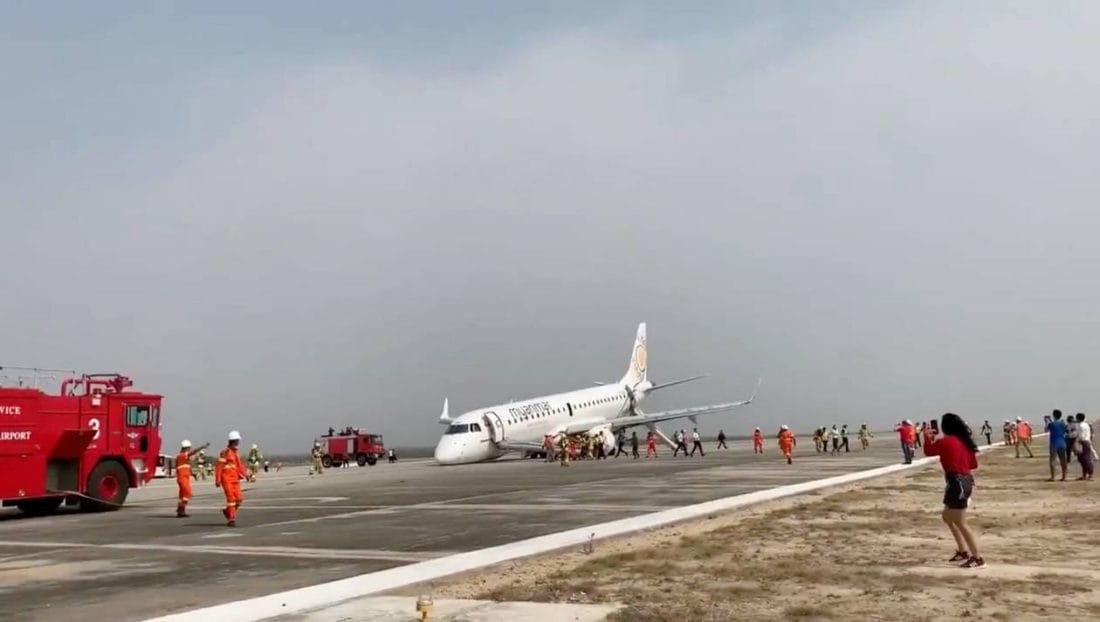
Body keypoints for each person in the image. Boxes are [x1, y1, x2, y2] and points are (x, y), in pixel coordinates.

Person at [923, 413, 983, 568]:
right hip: (961, 481)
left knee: (960, 521)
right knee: (947, 517)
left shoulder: (946, 442)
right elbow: (973, 464)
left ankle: (977, 558)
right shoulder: (964, 442)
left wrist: (926, 437)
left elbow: (928, 451)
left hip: (958, 483)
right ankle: (963, 551)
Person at [214, 430, 246, 527]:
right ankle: (231, 519)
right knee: (231, 499)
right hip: (226, 478)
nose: (238, 443)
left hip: (235, 478)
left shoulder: (235, 453)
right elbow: (219, 466)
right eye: (237, 441)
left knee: (239, 499)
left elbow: (239, 465)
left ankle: (228, 511)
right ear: (234, 441)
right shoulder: (225, 452)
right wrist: (218, 479)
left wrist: (246, 474)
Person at [175, 440, 203, 518]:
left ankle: (181, 512)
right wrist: (201, 447)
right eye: (189, 448)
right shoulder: (182, 455)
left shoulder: (184, 457)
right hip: (182, 477)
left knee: (182, 495)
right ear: (186, 448)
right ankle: (180, 508)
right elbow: (192, 452)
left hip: (185, 477)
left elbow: (187, 466)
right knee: (188, 493)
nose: (190, 449)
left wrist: (192, 474)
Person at [1046, 409, 1068, 482]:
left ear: (1054, 415)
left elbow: (1046, 430)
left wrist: (1047, 422)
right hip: (1062, 443)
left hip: (1054, 443)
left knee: (1053, 460)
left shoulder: (1051, 424)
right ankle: (1064, 476)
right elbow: (1066, 431)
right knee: (1063, 460)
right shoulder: (1063, 423)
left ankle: (1053, 477)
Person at [1074, 413, 1093, 481]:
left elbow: (1080, 435)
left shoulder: (1080, 425)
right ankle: (1086, 474)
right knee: (1084, 459)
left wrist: (1076, 442)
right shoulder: (1086, 424)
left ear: (1078, 418)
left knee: (1084, 459)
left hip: (1082, 442)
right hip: (1087, 441)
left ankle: (1089, 473)